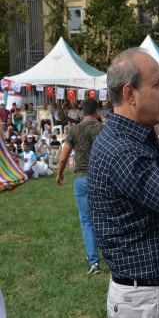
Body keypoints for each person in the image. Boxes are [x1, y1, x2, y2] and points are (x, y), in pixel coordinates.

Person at [87, 47, 159, 317]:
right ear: (130, 94)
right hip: (147, 300)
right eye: (157, 84)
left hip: (151, 295)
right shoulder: (122, 150)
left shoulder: (132, 138)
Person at [56, 98, 105, 275]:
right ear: (97, 111)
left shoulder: (74, 130)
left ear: (82, 111)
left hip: (81, 178)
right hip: (101, 178)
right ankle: (114, 257)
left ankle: (94, 262)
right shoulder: (104, 129)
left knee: (86, 220)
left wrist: (59, 173)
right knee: (105, 218)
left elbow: (63, 158)